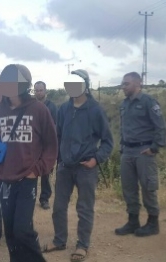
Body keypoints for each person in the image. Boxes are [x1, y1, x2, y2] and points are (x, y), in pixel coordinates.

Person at [0, 64, 58, 262]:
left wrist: (38, 170)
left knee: (22, 229)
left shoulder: (38, 109)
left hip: (27, 177)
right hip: (4, 179)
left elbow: (52, 144)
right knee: (9, 230)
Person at [43, 69, 114, 262]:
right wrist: (55, 159)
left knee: (84, 208)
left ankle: (82, 245)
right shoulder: (64, 109)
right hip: (65, 166)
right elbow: (58, 136)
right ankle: (59, 240)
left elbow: (108, 141)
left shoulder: (95, 110)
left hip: (86, 168)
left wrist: (96, 159)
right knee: (58, 206)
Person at [114, 72, 166, 237]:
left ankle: (152, 222)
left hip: (144, 150)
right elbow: (125, 127)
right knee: (128, 188)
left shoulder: (148, 102)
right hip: (127, 151)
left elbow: (160, 126)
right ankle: (133, 220)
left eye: (126, 84)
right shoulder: (124, 104)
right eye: (123, 84)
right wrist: (123, 146)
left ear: (137, 84)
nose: (123, 87)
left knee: (148, 187)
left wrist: (155, 147)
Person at [33, 80, 58, 210]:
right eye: (36, 90)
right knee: (31, 172)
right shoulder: (31, 106)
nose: (38, 92)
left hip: (46, 146)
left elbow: (54, 128)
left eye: (41, 90)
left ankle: (44, 199)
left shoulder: (52, 107)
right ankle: (31, 197)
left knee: (46, 173)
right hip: (33, 146)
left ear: (45, 91)